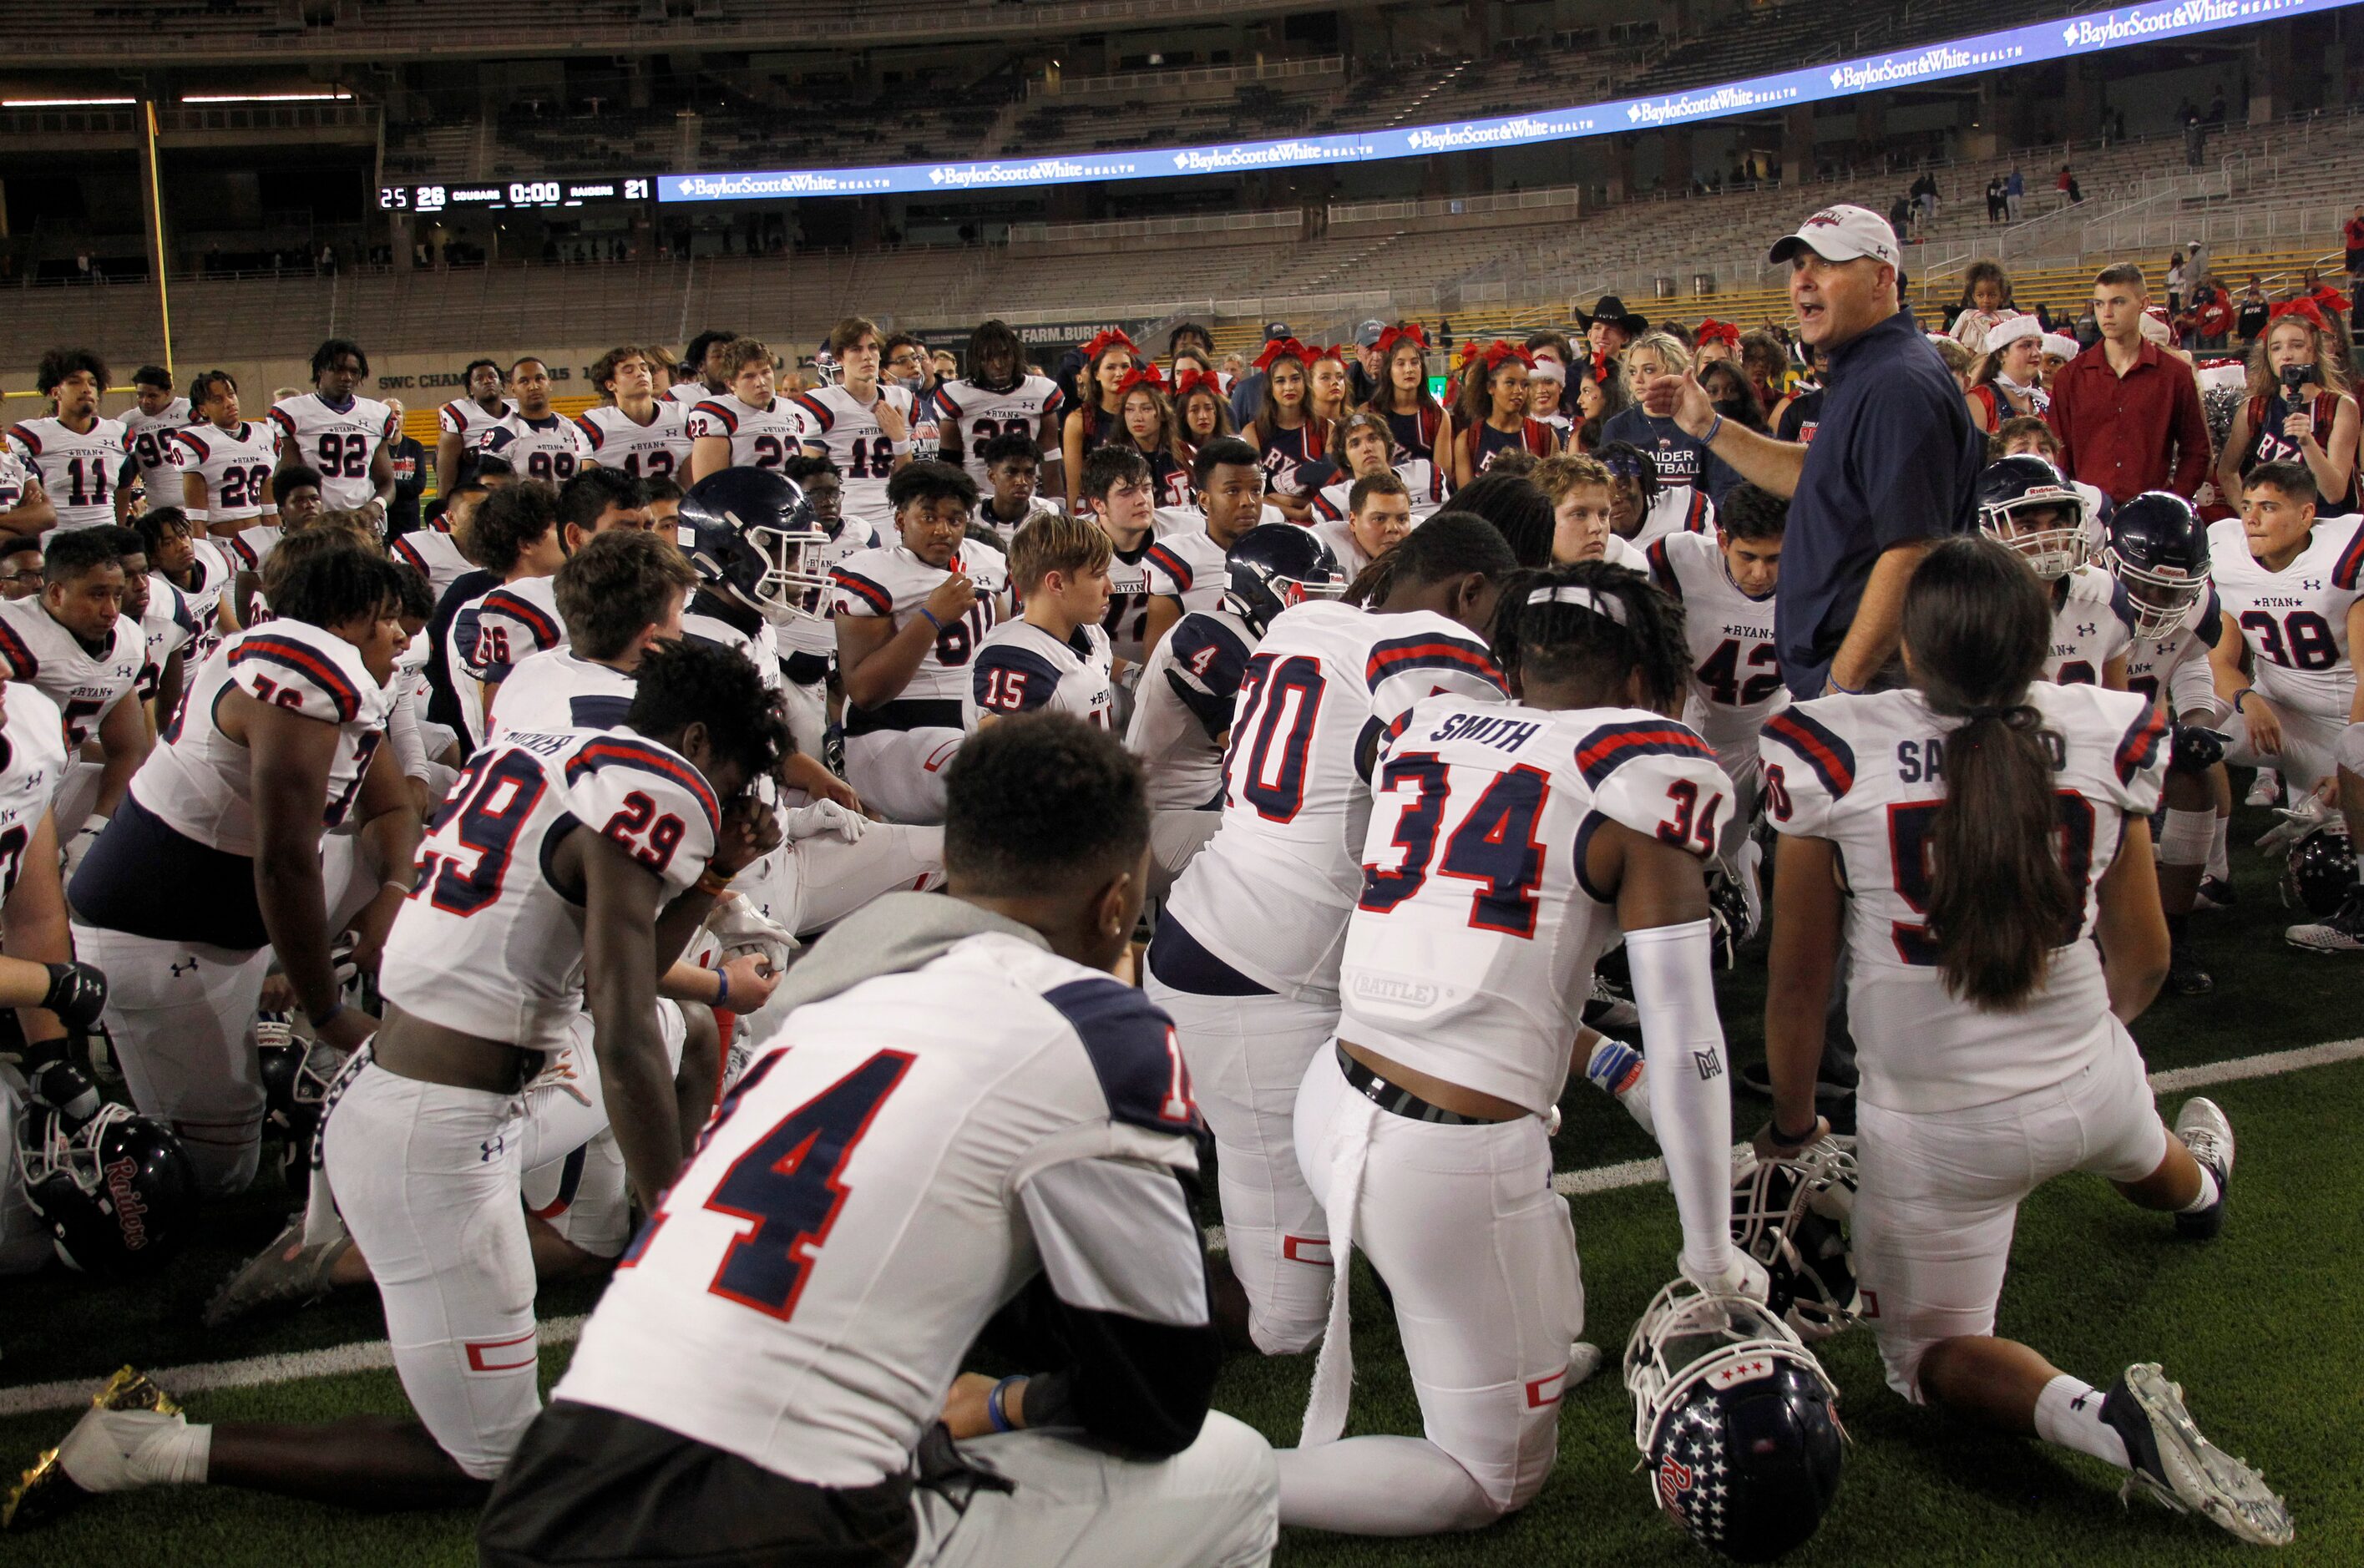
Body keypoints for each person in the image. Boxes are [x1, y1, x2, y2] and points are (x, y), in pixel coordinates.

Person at [475, 716, 1278, 1568]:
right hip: (756, 1530)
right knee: (1233, 1472)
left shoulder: (810, 1016)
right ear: (1117, 903)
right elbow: (1155, 1401)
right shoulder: (1089, 1026)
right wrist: (1001, 1405)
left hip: (544, 1501)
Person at [38, 639, 786, 1510]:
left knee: (681, 1026)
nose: (722, 802)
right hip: (435, 1131)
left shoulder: (542, 748)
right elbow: (615, 1035)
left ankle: (347, 1242)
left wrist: (718, 874)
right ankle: (148, 1449)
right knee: (491, 1466)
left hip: (434, 1081)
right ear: (696, 744)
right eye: (729, 778)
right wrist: (673, 1224)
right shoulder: (653, 787)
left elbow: (607, 984)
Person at [1756, 534, 2291, 1549]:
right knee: (2132, 1143)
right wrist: (2079, 1049)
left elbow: (1795, 984)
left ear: (1911, 651)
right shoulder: (2102, 729)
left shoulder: (1832, 748)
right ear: (2039, 643)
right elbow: (2142, 957)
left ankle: (2102, 1421)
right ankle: (2200, 1191)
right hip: (2088, 1075)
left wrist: (1790, 1126)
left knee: (1928, 1358)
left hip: (1936, 1129)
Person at [1279, 559, 1758, 1535]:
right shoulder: (1638, 777)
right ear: (1641, 681)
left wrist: (1594, 1058)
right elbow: (1685, 1037)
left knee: (1528, 1284)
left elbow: (1476, 956)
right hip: (1443, 1159)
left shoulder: (1427, 726)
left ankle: (1512, 1347)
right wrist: (1710, 1254)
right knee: (1488, 1481)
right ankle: (1201, 1480)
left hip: (1331, 1093)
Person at [1146, 514, 1517, 1356]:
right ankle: (1094, 1329)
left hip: (1220, 946)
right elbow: (1455, 831)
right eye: (1498, 616)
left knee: (1409, 1137)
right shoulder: (1430, 648)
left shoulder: (1303, 621)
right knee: (1288, 1324)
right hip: (1257, 990)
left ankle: (1433, 1289)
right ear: (1468, 593)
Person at [66, 540, 407, 1196]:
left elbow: (392, 807)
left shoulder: (295, 653)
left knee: (418, 857)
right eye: (387, 616)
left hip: (232, 898)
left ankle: (283, 1016)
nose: (397, 634)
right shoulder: (304, 681)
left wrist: (391, 894)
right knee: (220, 1175)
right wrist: (328, 1006)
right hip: (164, 925)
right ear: (349, 617)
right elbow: (284, 864)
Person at [1639, 203, 1984, 699]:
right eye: (1799, 264)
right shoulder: (1870, 365)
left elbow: (1912, 549)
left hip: (1877, 683)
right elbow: (1823, 475)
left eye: (1827, 264)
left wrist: (1841, 687)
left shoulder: (1898, 383)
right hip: (1861, 672)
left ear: (1883, 278)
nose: (1803, 280)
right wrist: (1708, 427)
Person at [2207, 463, 2364, 951]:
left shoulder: (2344, 559)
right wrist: (2248, 698)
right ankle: (2210, 877)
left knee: (2325, 874)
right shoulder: (2227, 554)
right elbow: (2218, 662)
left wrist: (2350, 769)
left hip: (2348, 720)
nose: (2252, 518)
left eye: (2270, 507)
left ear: (2307, 515)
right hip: (2278, 715)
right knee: (2194, 734)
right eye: (2248, 505)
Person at [833, 460, 1008, 824]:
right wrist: (930, 618)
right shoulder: (872, 573)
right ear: (900, 520)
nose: (943, 530)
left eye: (954, 520)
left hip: (970, 721)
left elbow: (1003, 650)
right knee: (984, 777)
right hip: (892, 728)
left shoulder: (988, 562)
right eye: (928, 517)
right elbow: (865, 692)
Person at [1648, 483, 1787, 896]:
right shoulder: (1678, 558)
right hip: (1697, 722)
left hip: (1769, 726)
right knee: (1694, 852)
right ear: (1722, 540)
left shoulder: (1817, 574)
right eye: (1748, 556)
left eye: (1774, 558)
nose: (1759, 574)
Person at [0, 529, 152, 869]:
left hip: (55, 779)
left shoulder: (128, 642)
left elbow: (128, 749)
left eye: (116, 594)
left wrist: (95, 828)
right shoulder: (13, 634)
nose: (111, 610)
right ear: (55, 593)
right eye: (97, 595)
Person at [2047, 265, 2213, 505]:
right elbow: (2058, 452)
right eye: (2099, 304)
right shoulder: (2070, 377)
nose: (2106, 313)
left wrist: (2174, 502)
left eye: (2118, 302)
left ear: (2143, 304)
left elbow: (2197, 449)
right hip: (2086, 517)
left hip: (2152, 517)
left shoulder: (2174, 374)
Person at [1976, 455, 2132, 689]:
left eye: (2057, 525)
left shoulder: (2106, 596)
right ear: (1985, 529)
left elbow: (2119, 712)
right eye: (2028, 526)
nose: (2049, 539)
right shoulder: (1965, 607)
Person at [966, 512, 1115, 730]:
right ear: (1056, 583)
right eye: (1098, 575)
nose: (1110, 587)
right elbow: (996, 757)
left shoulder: (1092, 633)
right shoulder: (1016, 660)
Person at [2215, 300, 2357, 513]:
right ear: (2269, 358)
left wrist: (2307, 442)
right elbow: (2226, 472)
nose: (2286, 354)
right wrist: (2248, 514)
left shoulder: (2340, 407)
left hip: (2329, 529)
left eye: (2297, 345)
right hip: (2274, 532)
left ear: (2313, 352)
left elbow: (2335, 493)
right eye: (2276, 348)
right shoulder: (2254, 409)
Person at [791, 317, 922, 536]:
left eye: (872, 348)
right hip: (843, 514)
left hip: (890, 511)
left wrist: (900, 439)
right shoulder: (821, 404)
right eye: (856, 349)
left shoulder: (902, 399)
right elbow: (812, 478)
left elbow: (906, 478)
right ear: (840, 357)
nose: (867, 356)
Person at [1141, 437, 1266, 660]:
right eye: (1233, 491)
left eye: (1256, 490)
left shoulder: (1278, 549)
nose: (1248, 501)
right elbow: (1157, 665)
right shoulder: (1180, 559)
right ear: (1204, 500)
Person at [933, 318, 1067, 497]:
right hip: (976, 501)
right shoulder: (956, 395)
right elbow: (949, 464)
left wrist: (1056, 507)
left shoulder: (1041, 392)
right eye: (988, 358)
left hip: (1025, 501)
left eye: (1004, 355)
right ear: (976, 360)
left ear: (1016, 355)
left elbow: (1050, 460)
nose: (998, 364)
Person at [269, 339, 398, 524]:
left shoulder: (378, 414)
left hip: (362, 523)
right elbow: (286, 481)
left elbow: (387, 482)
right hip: (316, 523)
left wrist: (374, 507)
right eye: (338, 369)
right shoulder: (293, 412)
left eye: (354, 372)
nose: (347, 377)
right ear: (321, 370)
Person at [7, 348, 134, 533]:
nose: (86, 389)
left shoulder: (119, 434)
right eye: (75, 382)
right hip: (56, 542)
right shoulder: (31, 435)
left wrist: (119, 531)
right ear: (56, 393)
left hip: (106, 538)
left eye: (92, 383)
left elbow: (124, 489)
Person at [168, 368, 278, 546]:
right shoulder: (196, 442)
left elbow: (270, 508)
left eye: (231, 395)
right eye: (218, 400)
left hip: (262, 541)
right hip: (223, 543)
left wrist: (277, 540)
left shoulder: (265, 435)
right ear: (203, 410)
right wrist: (203, 552)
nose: (229, 403)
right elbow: (196, 514)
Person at [686, 338, 807, 482]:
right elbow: (708, 488)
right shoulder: (718, 415)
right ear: (731, 383)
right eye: (749, 376)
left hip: (792, 501)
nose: (760, 383)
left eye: (765, 372)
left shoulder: (792, 410)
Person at [575, 344, 693, 486]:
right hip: (625, 506)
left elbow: (690, 485)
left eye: (644, 368)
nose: (640, 373)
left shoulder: (681, 414)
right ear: (611, 384)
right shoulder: (596, 424)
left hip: (671, 505)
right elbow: (593, 490)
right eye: (628, 371)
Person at [1309, 410, 1442, 525]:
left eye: (1373, 439)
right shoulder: (1334, 499)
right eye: (1355, 444)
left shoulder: (1424, 473)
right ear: (1345, 458)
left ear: (1387, 444)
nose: (1367, 448)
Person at [1450, 341, 1556, 486]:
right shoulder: (1468, 440)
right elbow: (1467, 500)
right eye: (1510, 383)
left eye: (1524, 384)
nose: (1519, 390)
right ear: (1490, 387)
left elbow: (1553, 495)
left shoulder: (1544, 435)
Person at [1243, 338, 1325, 518]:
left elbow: (1333, 490)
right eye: (1280, 381)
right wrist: (1296, 512)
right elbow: (1251, 494)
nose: (1289, 387)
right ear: (1270, 388)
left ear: (1305, 382)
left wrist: (1290, 501)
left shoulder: (1326, 429)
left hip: (1320, 521)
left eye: (1295, 379)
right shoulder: (1253, 432)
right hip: (1272, 521)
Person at [1535, 453, 1645, 569]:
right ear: (1543, 520)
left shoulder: (1627, 564)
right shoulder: (1520, 577)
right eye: (1579, 514)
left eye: (1603, 515)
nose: (1597, 527)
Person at [1365, 321, 1450, 466]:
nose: (1409, 369)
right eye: (1400, 363)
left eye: (1415, 362)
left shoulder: (1437, 416)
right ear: (1388, 370)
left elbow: (1442, 475)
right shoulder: (1368, 412)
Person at [1309, 471, 1411, 580]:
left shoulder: (1424, 537)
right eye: (1379, 519)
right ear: (1353, 522)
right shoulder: (1325, 544)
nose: (1393, 528)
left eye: (1402, 519)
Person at [435, 358, 516, 495]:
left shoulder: (519, 410)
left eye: (492, 376)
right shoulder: (460, 413)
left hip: (513, 493)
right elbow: (446, 478)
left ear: (502, 385)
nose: (487, 381)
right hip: (475, 496)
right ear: (471, 389)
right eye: (479, 379)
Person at [121, 366, 192, 516]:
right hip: (157, 506)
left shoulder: (188, 410)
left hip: (194, 503)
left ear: (167, 393)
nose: (145, 401)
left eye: (152, 396)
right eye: (140, 395)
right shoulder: (128, 422)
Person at [1964, 316, 2049, 433]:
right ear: (2000, 354)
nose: (2037, 353)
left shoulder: (2047, 399)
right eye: (2026, 345)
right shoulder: (1980, 400)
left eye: (2039, 346)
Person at [974, 431, 1060, 544]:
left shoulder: (1049, 515)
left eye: (1029, 473)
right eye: (1011, 473)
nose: (1022, 481)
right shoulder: (970, 514)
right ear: (991, 476)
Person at [381, 400, 428, 539]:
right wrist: (403, 487)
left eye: (398, 413)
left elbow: (419, 485)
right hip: (383, 515)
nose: (394, 417)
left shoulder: (415, 447)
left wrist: (389, 485)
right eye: (389, 413)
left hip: (409, 516)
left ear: (404, 419)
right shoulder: (375, 448)